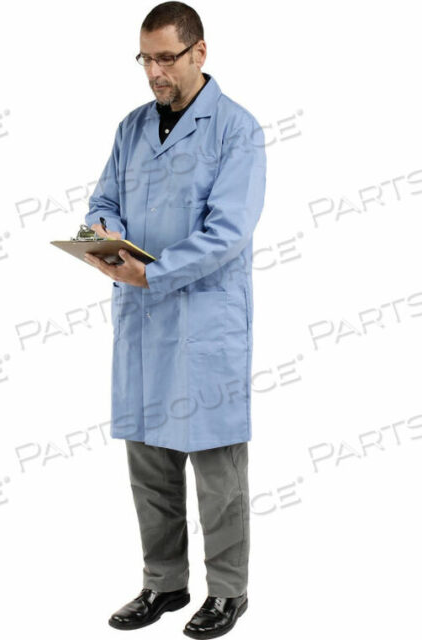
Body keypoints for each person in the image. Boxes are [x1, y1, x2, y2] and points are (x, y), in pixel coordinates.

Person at [83, 2, 266, 637]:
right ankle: (163, 583)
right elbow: (104, 198)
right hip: (142, 321)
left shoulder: (236, 130)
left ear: (199, 52)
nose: (155, 72)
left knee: (218, 472)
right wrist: (104, 233)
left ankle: (228, 593)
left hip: (205, 321)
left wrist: (152, 272)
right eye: (146, 59)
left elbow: (229, 231)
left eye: (166, 58)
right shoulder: (132, 127)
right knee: (150, 463)